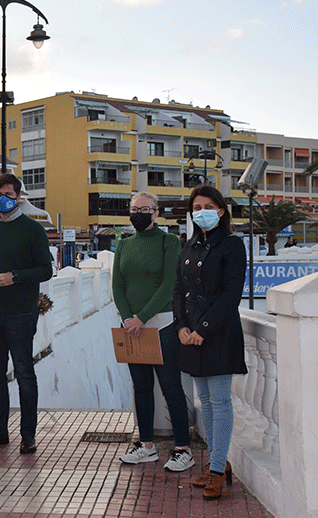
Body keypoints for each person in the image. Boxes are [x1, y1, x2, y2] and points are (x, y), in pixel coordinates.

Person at [173, 183, 247, 500]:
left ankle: (216, 470)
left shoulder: (232, 246)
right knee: (204, 403)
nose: (200, 211)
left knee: (220, 403)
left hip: (218, 335)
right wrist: (181, 327)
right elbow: (178, 291)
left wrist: (202, 329)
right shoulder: (188, 248)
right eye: (195, 207)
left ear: (220, 210)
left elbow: (231, 295)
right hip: (191, 336)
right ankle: (218, 464)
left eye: (207, 206)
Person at [113, 192, 194, 472]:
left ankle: (183, 448)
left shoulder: (168, 241)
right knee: (142, 389)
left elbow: (170, 283)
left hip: (162, 326)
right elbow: (117, 285)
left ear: (156, 213)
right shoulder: (123, 244)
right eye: (134, 209)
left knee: (171, 388)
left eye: (144, 209)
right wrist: (127, 318)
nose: (138, 213)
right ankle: (146, 446)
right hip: (133, 330)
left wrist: (142, 317)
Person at [0, 172, 52, 454]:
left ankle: (28, 435)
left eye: (7, 194)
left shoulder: (33, 230)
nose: (2, 200)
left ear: (18, 196)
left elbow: (46, 269)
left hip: (20, 313)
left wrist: (15, 276)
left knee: (24, 374)